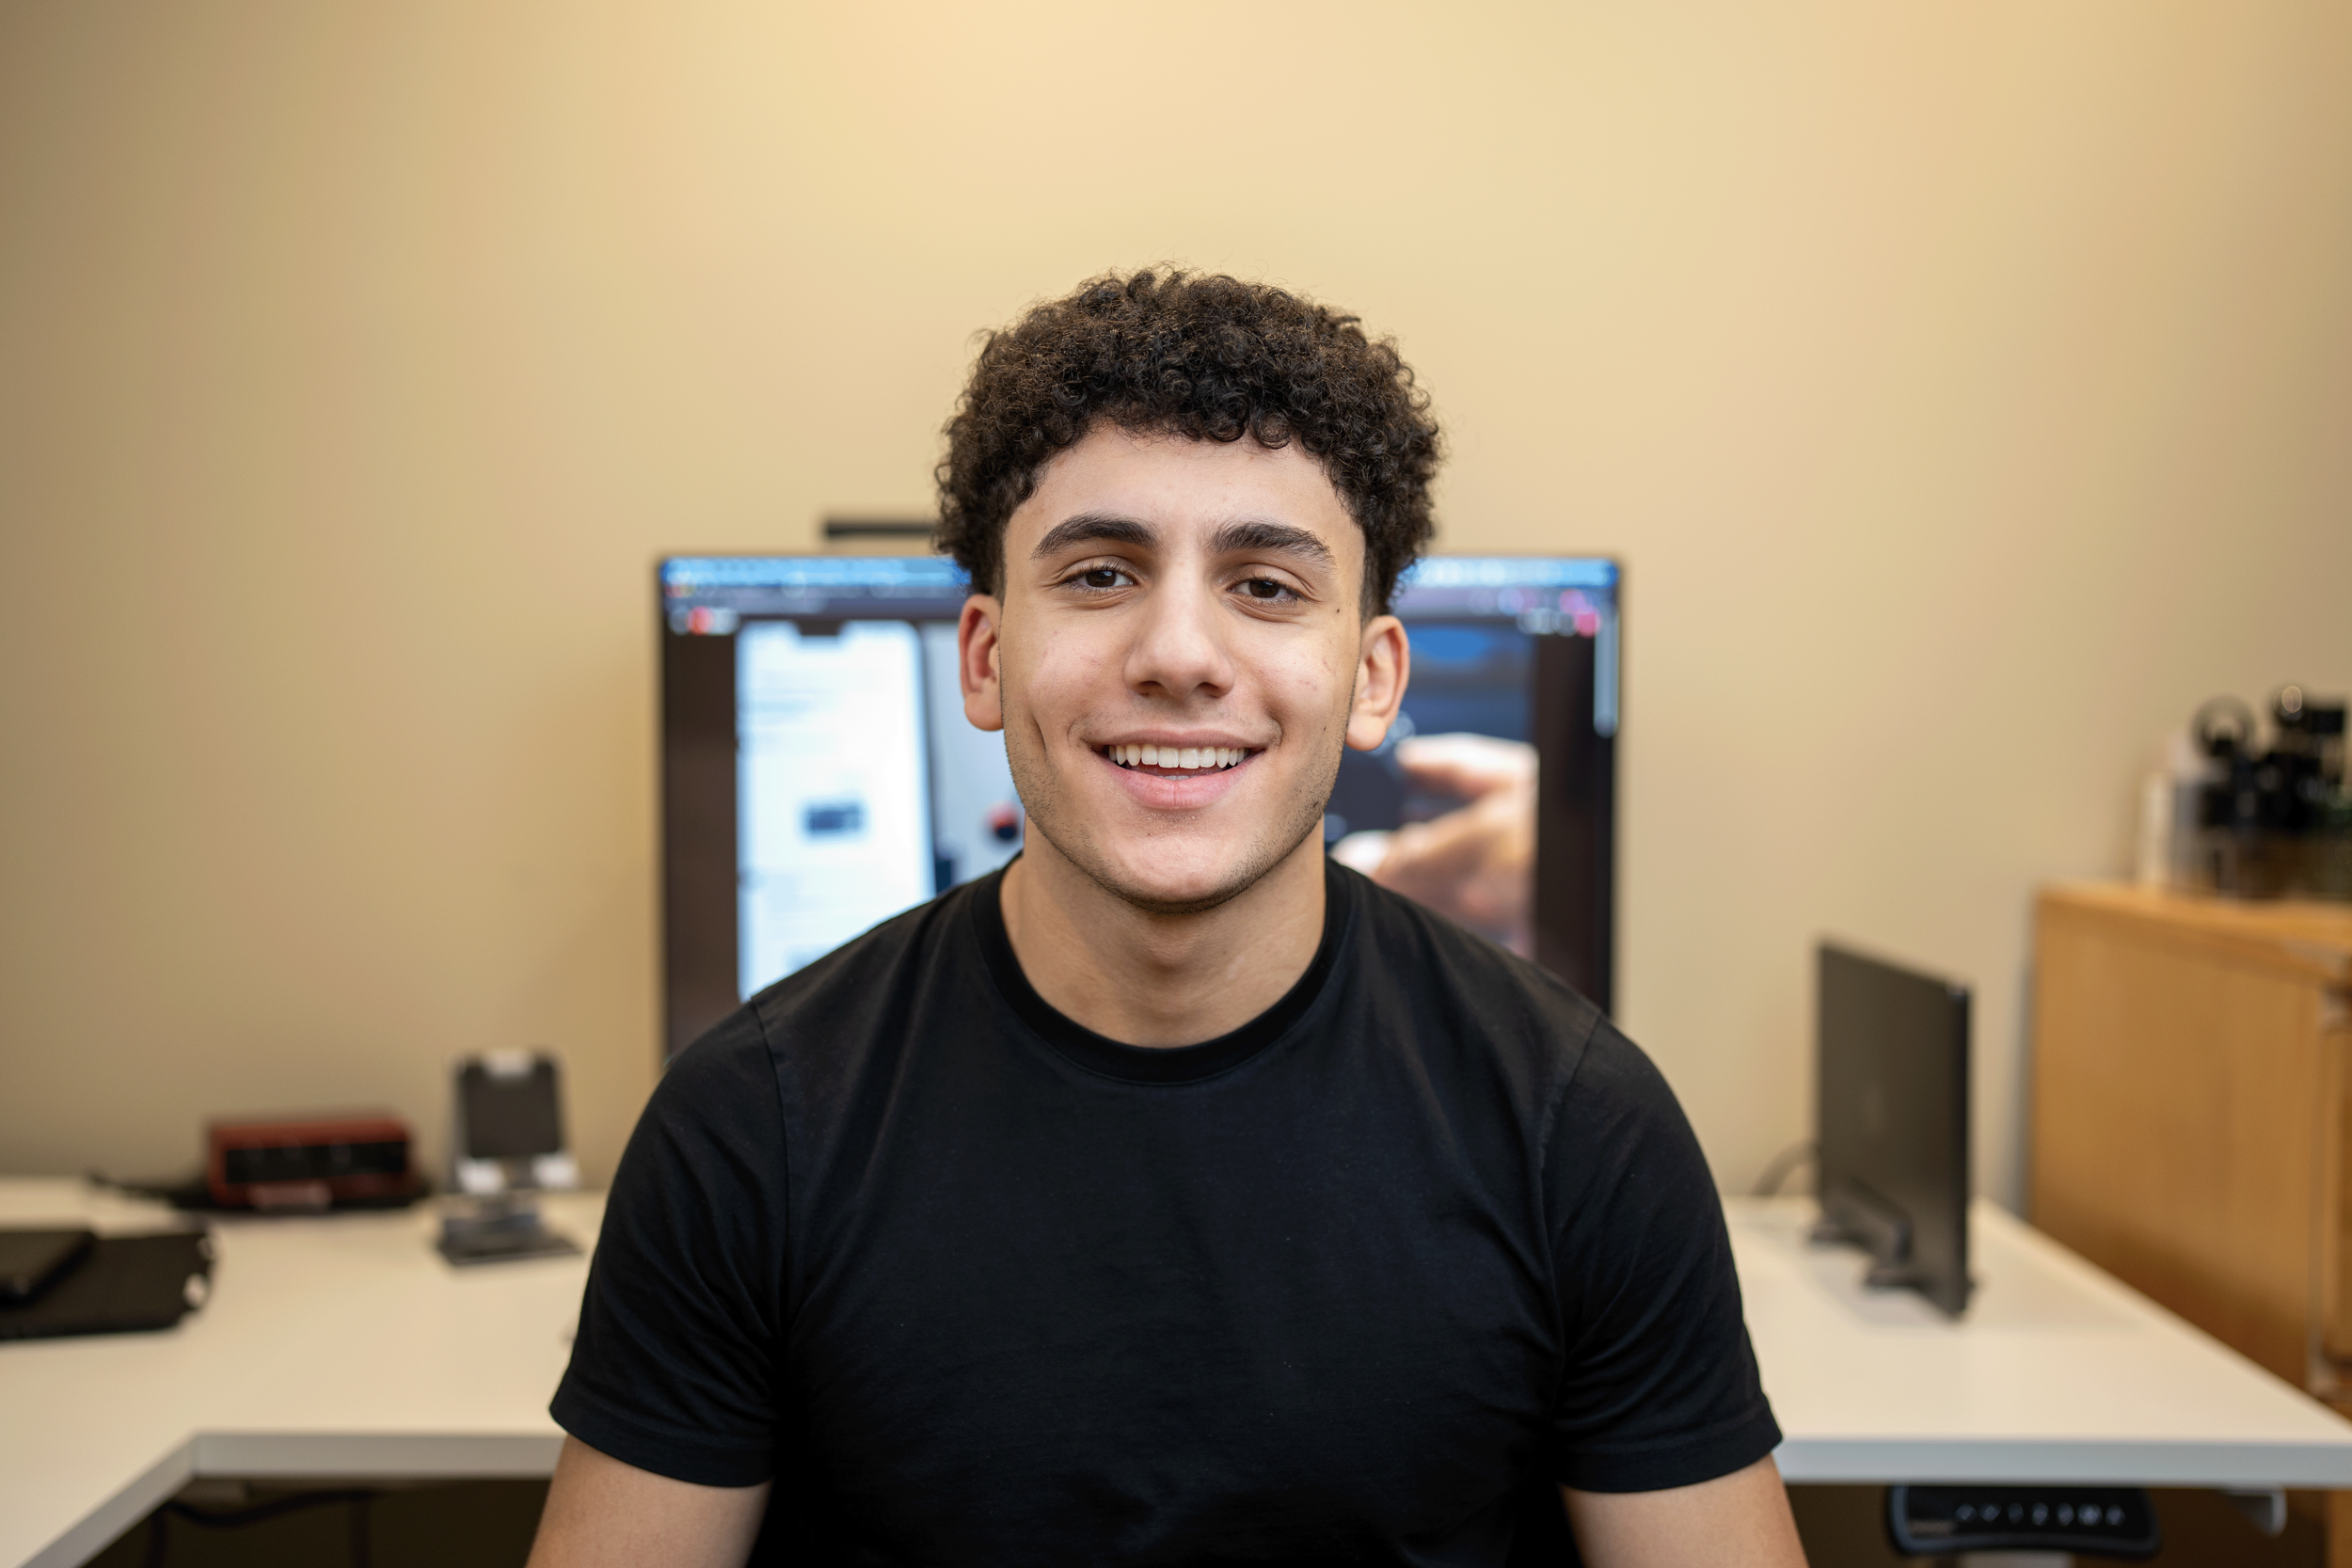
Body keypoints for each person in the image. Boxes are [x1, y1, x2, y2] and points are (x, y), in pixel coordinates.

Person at [529, 271, 1806, 1567]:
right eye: (1098, 573)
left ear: (1372, 680)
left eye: (1264, 585)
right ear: (983, 657)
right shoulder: (751, 1131)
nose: (1179, 654)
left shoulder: (1580, 1128)